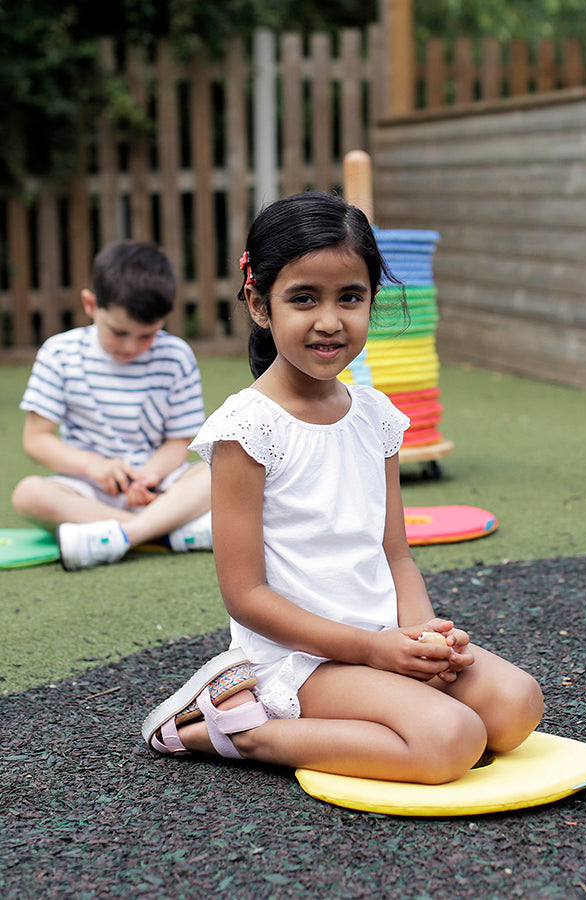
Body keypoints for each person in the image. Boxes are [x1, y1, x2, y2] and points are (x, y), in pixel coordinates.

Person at [141, 192, 543, 783]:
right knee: (451, 740)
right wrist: (373, 652)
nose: (329, 320)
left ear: (370, 301)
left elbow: (395, 553)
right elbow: (246, 595)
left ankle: (386, 706)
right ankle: (240, 730)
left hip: (379, 641)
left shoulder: (376, 415)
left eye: (350, 298)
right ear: (259, 304)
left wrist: (421, 637)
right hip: (296, 659)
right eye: (304, 298)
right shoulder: (247, 428)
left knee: (516, 706)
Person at [11, 240, 212, 570]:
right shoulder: (58, 353)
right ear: (90, 305)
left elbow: (179, 442)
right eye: (118, 332)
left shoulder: (176, 356)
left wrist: (148, 476)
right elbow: (36, 439)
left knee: (218, 472)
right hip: (87, 493)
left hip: (160, 489)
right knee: (29, 494)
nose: (131, 346)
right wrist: (95, 467)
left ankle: (123, 536)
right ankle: (164, 533)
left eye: (146, 334)